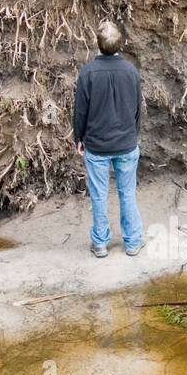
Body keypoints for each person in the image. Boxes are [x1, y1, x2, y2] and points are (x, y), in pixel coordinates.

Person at [73, 20, 143, 257]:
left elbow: (80, 110)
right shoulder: (131, 71)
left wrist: (78, 137)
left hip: (97, 145)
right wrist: (133, 133)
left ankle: (101, 243)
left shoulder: (88, 73)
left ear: (96, 43)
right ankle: (133, 243)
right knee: (127, 193)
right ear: (121, 44)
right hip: (126, 143)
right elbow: (136, 108)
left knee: (99, 194)